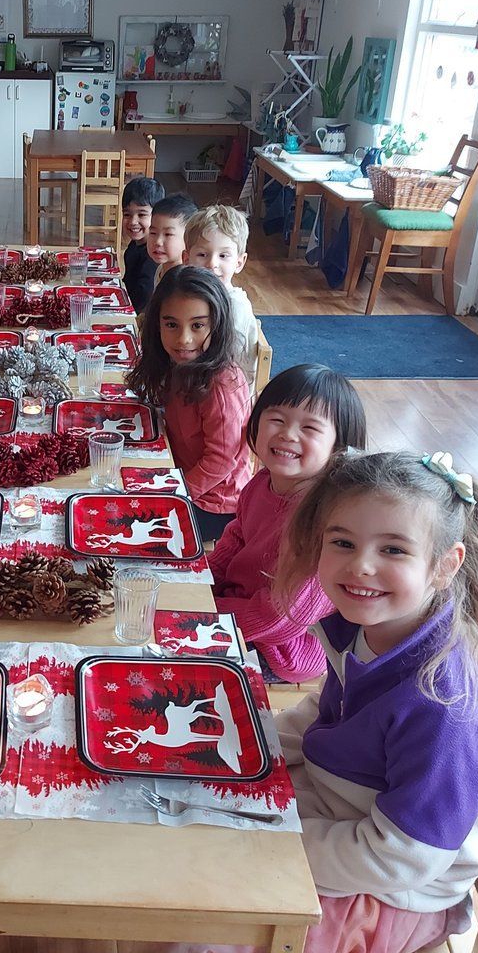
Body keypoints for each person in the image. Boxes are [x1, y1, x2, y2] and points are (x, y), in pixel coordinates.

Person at [163, 450, 478, 953]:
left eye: (394, 551)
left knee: (195, 901)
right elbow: (324, 714)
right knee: (191, 839)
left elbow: (404, 860)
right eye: (342, 542)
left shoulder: (443, 706)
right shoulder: (362, 628)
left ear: (444, 566)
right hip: (348, 823)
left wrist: (275, 844)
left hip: (400, 894)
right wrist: (258, 750)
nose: (362, 567)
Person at [207, 363, 367, 682]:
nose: (287, 434)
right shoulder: (262, 482)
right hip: (239, 608)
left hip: (280, 646)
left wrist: (207, 611)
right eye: (276, 419)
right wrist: (200, 581)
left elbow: (282, 617)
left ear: (339, 448)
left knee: (169, 658)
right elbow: (238, 535)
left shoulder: (325, 521)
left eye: (309, 429)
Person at [128, 266, 251, 543]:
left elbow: (220, 461)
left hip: (216, 503)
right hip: (180, 471)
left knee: (132, 522)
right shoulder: (181, 363)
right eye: (171, 324)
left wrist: (177, 492)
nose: (184, 339)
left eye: (197, 325)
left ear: (217, 325)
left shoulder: (221, 386)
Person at [183, 204, 260, 388]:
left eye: (223, 255)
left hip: (227, 391)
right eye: (202, 254)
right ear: (186, 259)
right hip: (199, 380)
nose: (212, 263)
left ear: (239, 262)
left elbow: (227, 366)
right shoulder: (191, 297)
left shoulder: (235, 307)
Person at [121, 175, 166, 313]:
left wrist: (123, 312)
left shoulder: (153, 255)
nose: (133, 221)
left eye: (141, 215)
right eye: (127, 214)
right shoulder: (135, 245)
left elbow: (143, 297)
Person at [146, 192, 197, 291]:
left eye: (168, 234)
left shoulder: (185, 282)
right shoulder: (160, 269)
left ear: (188, 238)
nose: (158, 241)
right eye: (153, 233)